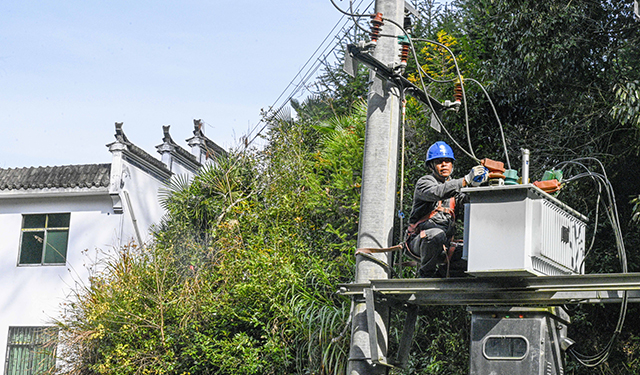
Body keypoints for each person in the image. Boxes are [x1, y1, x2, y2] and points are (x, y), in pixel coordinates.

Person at [406, 141, 487, 278]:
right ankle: (426, 275)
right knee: (436, 235)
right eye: (439, 162)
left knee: (473, 254)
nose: (444, 165)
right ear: (431, 166)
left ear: (452, 164)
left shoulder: (455, 187)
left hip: (445, 244)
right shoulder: (425, 183)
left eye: (447, 161)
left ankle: (441, 275)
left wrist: (475, 186)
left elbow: (467, 202)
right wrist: (466, 179)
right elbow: (438, 192)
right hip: (421, 241)